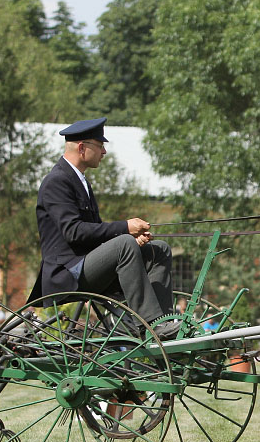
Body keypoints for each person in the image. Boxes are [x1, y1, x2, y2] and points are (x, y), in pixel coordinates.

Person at [27, 118, 179, 339]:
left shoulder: (81, 182)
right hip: (67, 273)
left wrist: (133, 243)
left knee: (159, 249)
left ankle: (164, 323)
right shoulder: (56, 181)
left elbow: (93, 232)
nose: (104, 151)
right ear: (82, 148)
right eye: (100, 145)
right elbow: (74, 232)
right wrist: (125, 228)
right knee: (125, 243)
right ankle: (151, 327)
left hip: (86, 265)